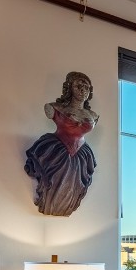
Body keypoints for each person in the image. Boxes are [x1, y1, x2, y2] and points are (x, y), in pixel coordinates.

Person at [25, 71, 98, 216]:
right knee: (52, 184)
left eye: (86, 87)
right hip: (57, 148)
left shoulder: (94, 116)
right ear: (69, 87)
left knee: (74, 188)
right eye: (79, 85)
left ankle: (64, 209)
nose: (83, 90)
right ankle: (50, 207)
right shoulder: (54, 108)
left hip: (81, 153)